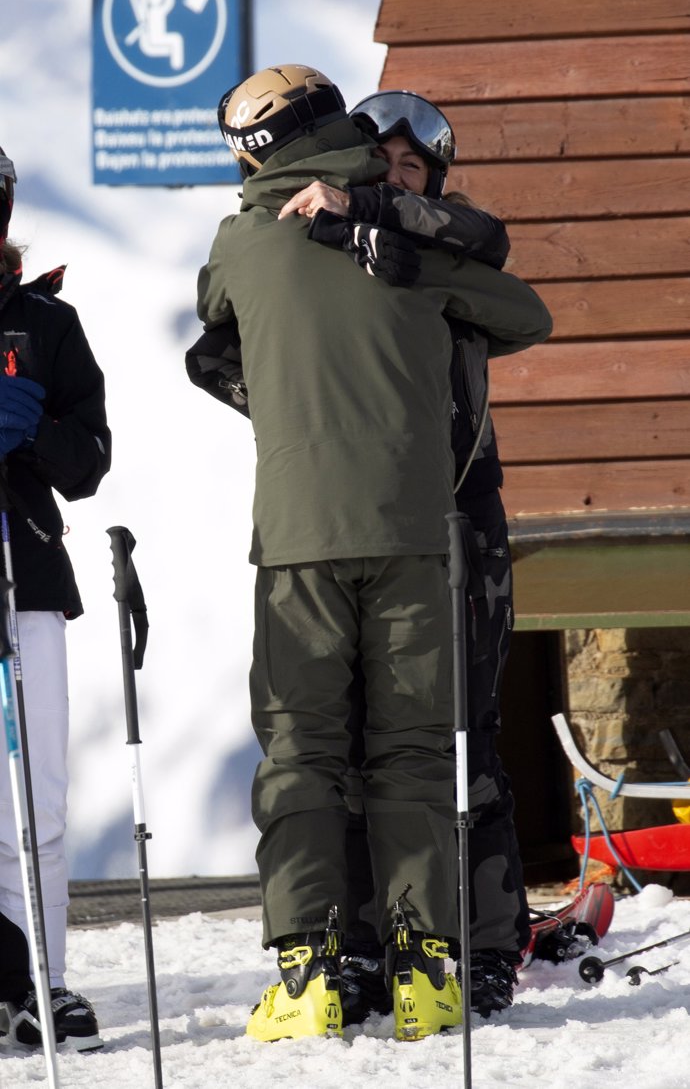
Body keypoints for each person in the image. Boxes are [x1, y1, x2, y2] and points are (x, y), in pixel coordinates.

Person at [193, 64, 552, 1043]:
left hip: (303, 537)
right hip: (417, 531)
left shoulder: (241, 243)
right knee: (418, 753)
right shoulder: (404, 247)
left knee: (306, 754)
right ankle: (427, 972)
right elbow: (523, 311)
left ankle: (313, 969)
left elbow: (211, 332)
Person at [276, 90, 532, 1021]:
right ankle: (374, 938)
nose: (392, 175)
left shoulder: (446, 247)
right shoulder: (312, 251)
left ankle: (490, 940)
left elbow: (492, 237)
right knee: (350, 737)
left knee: (465, 726)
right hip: (358, 517)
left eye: (411, 167)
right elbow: (222, 353)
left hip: (460, 515)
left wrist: (384, 223)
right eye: (377, 164)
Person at [0, 147, 111, 1050]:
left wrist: (33, 427)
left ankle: (45, 978)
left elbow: (92, 459)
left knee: (38, 797)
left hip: (24, 573)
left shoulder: (44, 322)